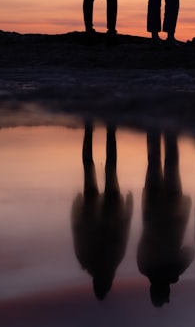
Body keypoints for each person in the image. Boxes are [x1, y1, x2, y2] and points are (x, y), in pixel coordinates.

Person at [71, 119, 134, 300]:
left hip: (106, 212)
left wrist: (128, 209)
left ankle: (108, 130)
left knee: (108, 167)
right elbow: (77, 230)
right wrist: (76, 208)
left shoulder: (109, 260)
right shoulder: (88, 260)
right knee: (91, 167)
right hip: (96, 212)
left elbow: (122, 232)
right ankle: (93, 129)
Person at [136, 128, 193, 306]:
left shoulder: (173, 270)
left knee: (171, 165)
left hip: (173, 214)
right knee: (153, 163)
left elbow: (189, 251)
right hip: (152, 213)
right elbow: (141, 244)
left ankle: (170, 131)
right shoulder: (144, 267)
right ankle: (155, 128)